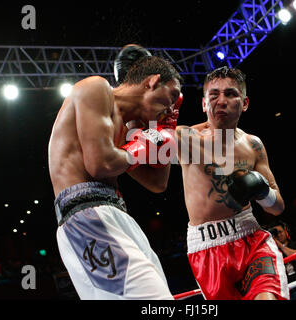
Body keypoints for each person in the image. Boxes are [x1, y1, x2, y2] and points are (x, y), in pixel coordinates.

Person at [48, 45, 182, 300]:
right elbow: (100, 164)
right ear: (152, 81)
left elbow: (157, 183)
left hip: (115, 213)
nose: (171, 106)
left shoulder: (133, 127)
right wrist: (147, 142)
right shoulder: (96, 89)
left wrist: (164, 129)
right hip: (86, 213)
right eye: (172, 95)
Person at [175, 66, 289, 300]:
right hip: (206, 250)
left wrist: (262, 191)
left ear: (245, 103)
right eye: (213, 95)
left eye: (230, 94)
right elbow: (137, 142)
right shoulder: (184, 138)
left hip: (250, 240)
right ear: (204, 104)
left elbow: (277, 207)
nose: (221, 101)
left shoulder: (253, 145)